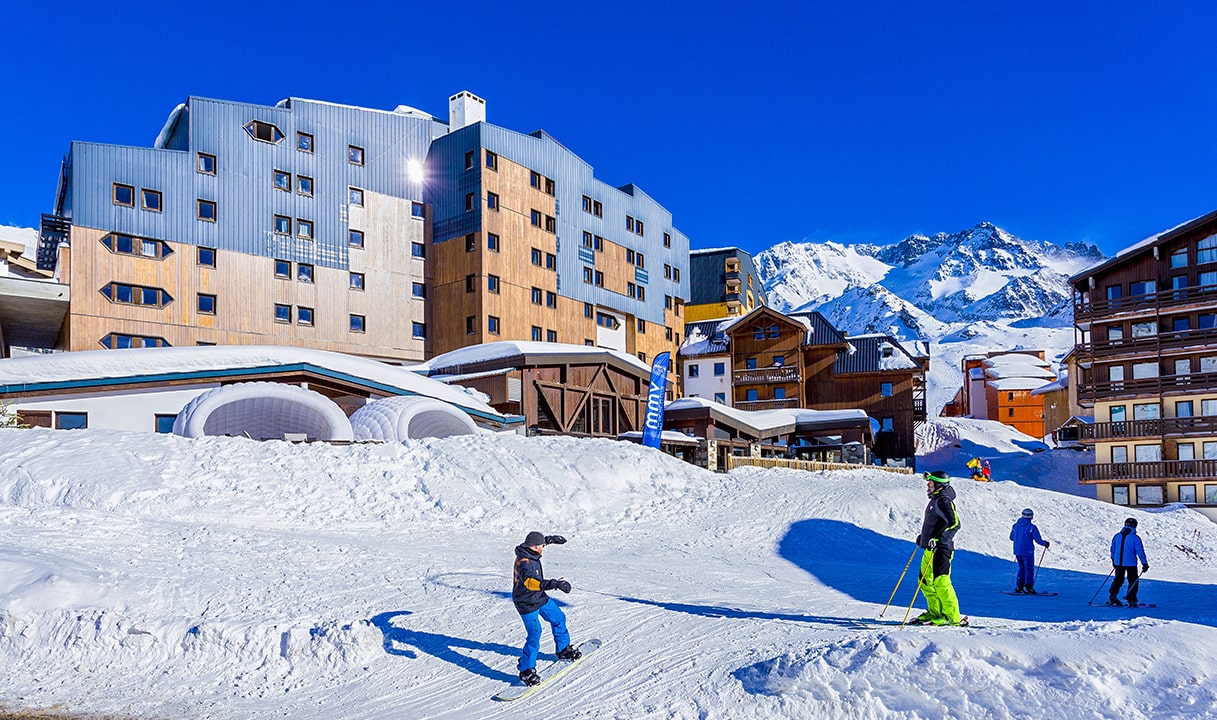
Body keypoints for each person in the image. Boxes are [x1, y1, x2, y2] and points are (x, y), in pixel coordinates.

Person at [512, 531, 579, 686]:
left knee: (558, 618)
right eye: (541, 546)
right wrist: (555, 584)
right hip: (526, 602)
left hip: (539, 598)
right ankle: (526, 670)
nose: (542, 548)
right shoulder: (524, 563)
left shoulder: (530, 549)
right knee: (535, 634)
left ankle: (563, 650)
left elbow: (537, 544)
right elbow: (531, 583)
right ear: (534, 547)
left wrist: (550, 540)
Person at [912, 470, 965, 626]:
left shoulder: (943, 501)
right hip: (930, 549)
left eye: (931, 483)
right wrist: (924, 538)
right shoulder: (935, 500)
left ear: (939, 485)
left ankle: (952, 617)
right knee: (925, 581)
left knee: (941, 582)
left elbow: (955, 524)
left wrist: (940, 539)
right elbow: (935, 524)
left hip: (941, 549)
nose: (928, 486)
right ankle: (935, 612)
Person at [1109, 518, 1149, 606]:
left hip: (1118, 563)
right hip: (1131, 563)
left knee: (1118, 579)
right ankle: (1131, 599)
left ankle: (1113, 595)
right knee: (1133, 580)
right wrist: (1144, 563)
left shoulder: (1117, 536)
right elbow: (1140, 551)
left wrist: (1113, 559)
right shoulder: (1135, 538)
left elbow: (1113, 549)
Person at [1009, 508, 1049, 593]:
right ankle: (1028, 587)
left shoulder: (1015, 526)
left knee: (1021, 568)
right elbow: (1038, 540)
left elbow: (1011, 538)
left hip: (1017, 551)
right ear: (1031, 517)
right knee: (1029, 568)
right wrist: (1045, 543)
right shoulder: (1031, 527)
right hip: (1028, 551)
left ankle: (1019, 586)